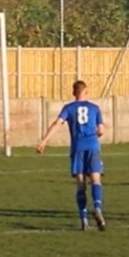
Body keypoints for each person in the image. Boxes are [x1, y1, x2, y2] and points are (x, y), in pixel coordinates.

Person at [37, 81, 107, 231]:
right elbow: (101, 130)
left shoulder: (68, 108)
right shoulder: (95, 108)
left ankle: (84, 219)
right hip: (93, 147)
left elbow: (57, 123)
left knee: (81, 184)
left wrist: (44, 141)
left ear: (74, 92)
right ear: (86, 92)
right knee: (95, 179)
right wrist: (95, 133)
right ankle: (98, 208)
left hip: (77, 148)